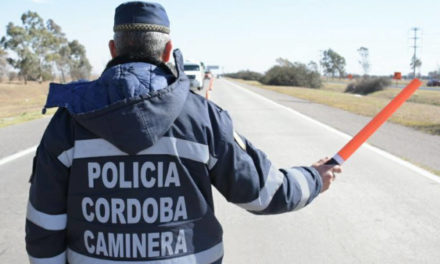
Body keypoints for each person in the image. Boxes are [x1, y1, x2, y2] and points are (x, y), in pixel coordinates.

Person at [25, 1, 341, 263]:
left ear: (112, 49)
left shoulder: (68, 121)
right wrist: (314, 177)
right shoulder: (203, 117)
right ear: (168, 51)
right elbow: (265, 194)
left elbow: (44, 226)